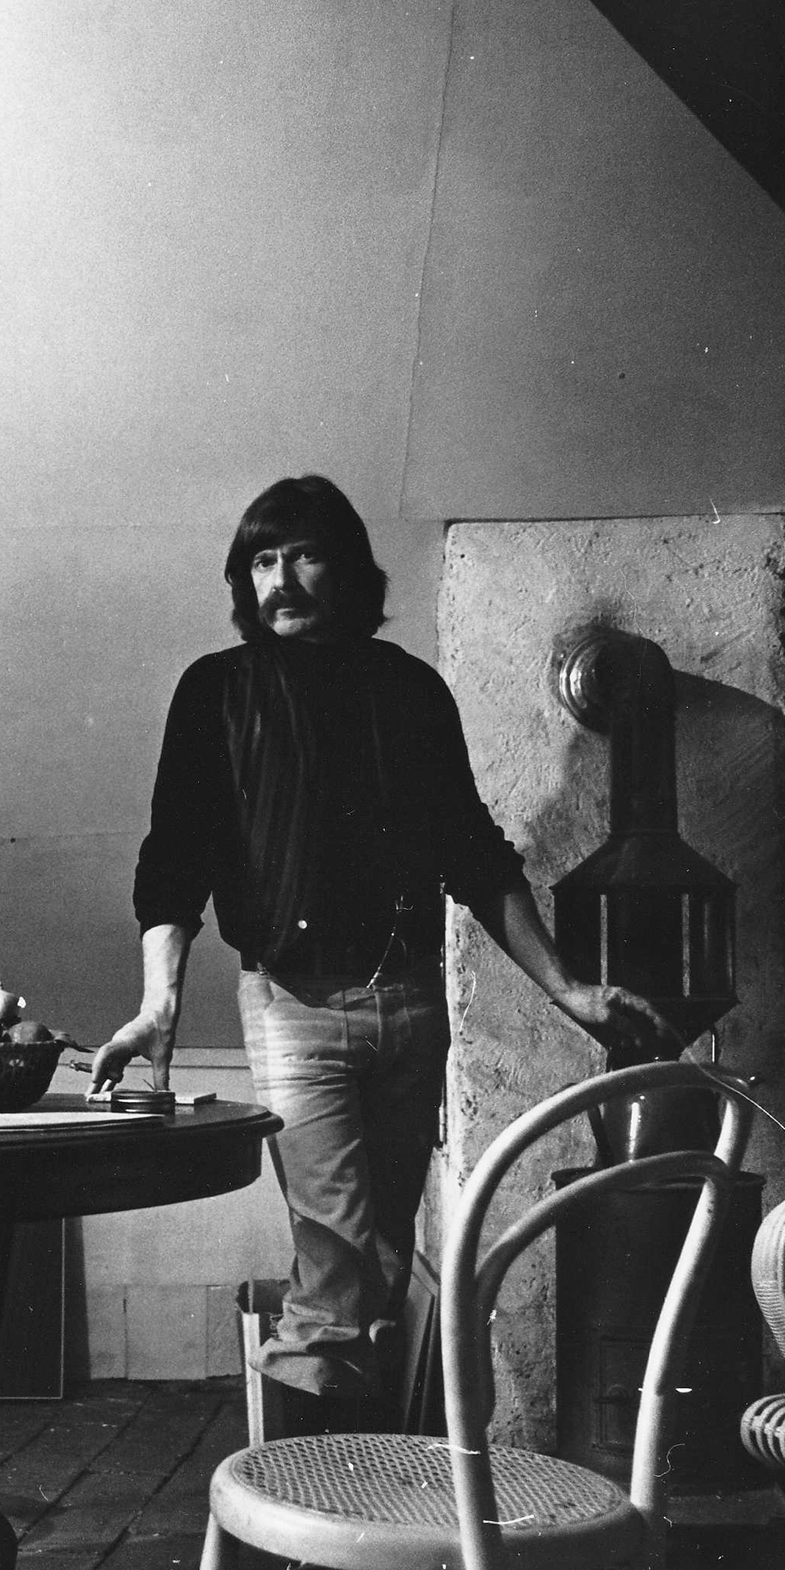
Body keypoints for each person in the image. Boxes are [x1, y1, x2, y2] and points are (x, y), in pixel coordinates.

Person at [92, 474, 670, 1440]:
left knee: (384, 1266)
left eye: (303, 554)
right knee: (337, 1269)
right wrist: (159, 1006)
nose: (280, 579)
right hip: (292, 1007)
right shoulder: (215, 692)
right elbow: (172, 864)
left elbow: (472, 853)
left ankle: (363, 1493)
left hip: (408, 1002)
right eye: (261, 560)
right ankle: (312, 1510)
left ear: (351, 570)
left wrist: (566, 988)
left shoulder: (408, 689)